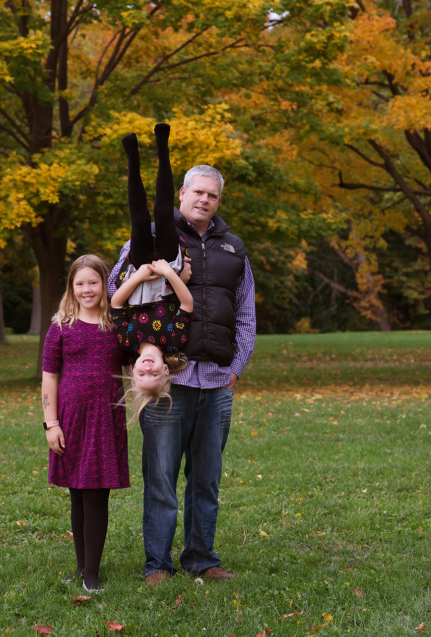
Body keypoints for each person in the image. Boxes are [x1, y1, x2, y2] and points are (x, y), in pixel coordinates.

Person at [108, 162, 256, 586]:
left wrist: (236, 369)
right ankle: (157, 564)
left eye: (212, 195)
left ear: (218, 202)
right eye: (197, 192)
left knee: (206, 478)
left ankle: (201, 557)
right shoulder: (155, 238)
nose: (204, 200)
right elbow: (119, 283)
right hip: (169, 382)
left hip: (216, 382)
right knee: (161, 478)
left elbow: (245, 313)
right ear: (183, 195)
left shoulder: (234, 249)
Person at [41, 254, 127, 594]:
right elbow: (49, 378)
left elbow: (138, 363)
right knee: (77, 493)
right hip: (71, 420)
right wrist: (51, 424)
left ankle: (92, 573)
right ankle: (80, 567)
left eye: (93, 282)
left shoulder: (118, 325)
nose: (86, 289)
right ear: (71, 287)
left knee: (96, 494)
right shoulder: (61, 326)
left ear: (105, 284)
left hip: (105, 419)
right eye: (79, 284)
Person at [110, 124, 194, 417]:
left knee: (139, 217)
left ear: (132, 371)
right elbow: (186, 304)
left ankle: (132, 157)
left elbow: (116, 304)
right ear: (166, 372)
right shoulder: (174, 342)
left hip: (141, 267)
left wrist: (138, 276)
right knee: (163, 211)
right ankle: (162, 146)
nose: (147, 371)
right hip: (168, 265)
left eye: (141, 376)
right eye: (153, 376)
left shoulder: (128, 341)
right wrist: (172, 274)